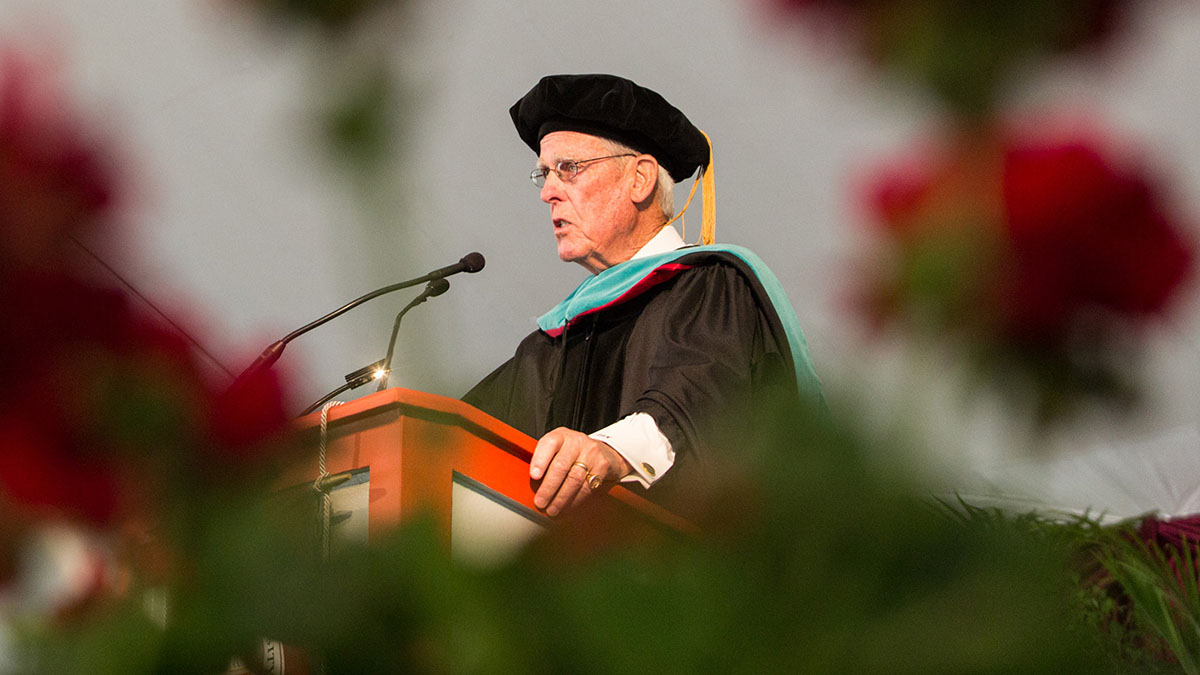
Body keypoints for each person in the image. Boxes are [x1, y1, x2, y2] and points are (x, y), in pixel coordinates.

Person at [464, 74, 823, 520]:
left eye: (568, 169)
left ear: (640, 179)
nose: (547, 192)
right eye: (544, 173)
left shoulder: (711, 286)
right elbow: (457, 437)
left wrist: (609, 453)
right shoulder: (550, 344)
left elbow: (698, 403)